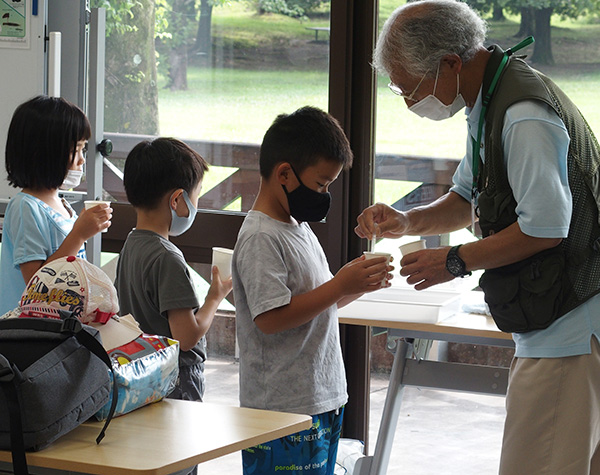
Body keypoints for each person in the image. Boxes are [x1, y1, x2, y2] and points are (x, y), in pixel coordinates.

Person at [355, 1, 600, 473]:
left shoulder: (523, 113)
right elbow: (468, 196)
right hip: (575, 319)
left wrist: (454, 260)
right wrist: (407, 221)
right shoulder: (490, 101)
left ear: (450, 63)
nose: (408, 101)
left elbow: (546, 228)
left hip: (575, 321)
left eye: (410, 89)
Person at [233, 106, 391, 475]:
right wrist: (340, 283)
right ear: (284, 173)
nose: (323, 194)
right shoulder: (261, 237)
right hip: (279, 409)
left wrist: (358, 286)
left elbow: (319, 303)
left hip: (320, 395)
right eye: (321, 184)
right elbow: (271, 319)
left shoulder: (297, 227)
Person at [115, 137, 232, 406]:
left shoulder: (131, 244)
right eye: (197, 194)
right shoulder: (167, 258)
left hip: (141, 373)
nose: (196, 203)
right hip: (175, 379)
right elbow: (187, 337)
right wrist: (215, 297)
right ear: (177, 200)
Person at [0, 95, 112, 315]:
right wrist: (79, 234)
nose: (81, 160)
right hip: (27, 334)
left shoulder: (62, 204)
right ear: (42, 154)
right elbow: (36, 283)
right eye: (75, 150)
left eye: (83, 150)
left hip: (57, 327)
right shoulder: (25, 208)